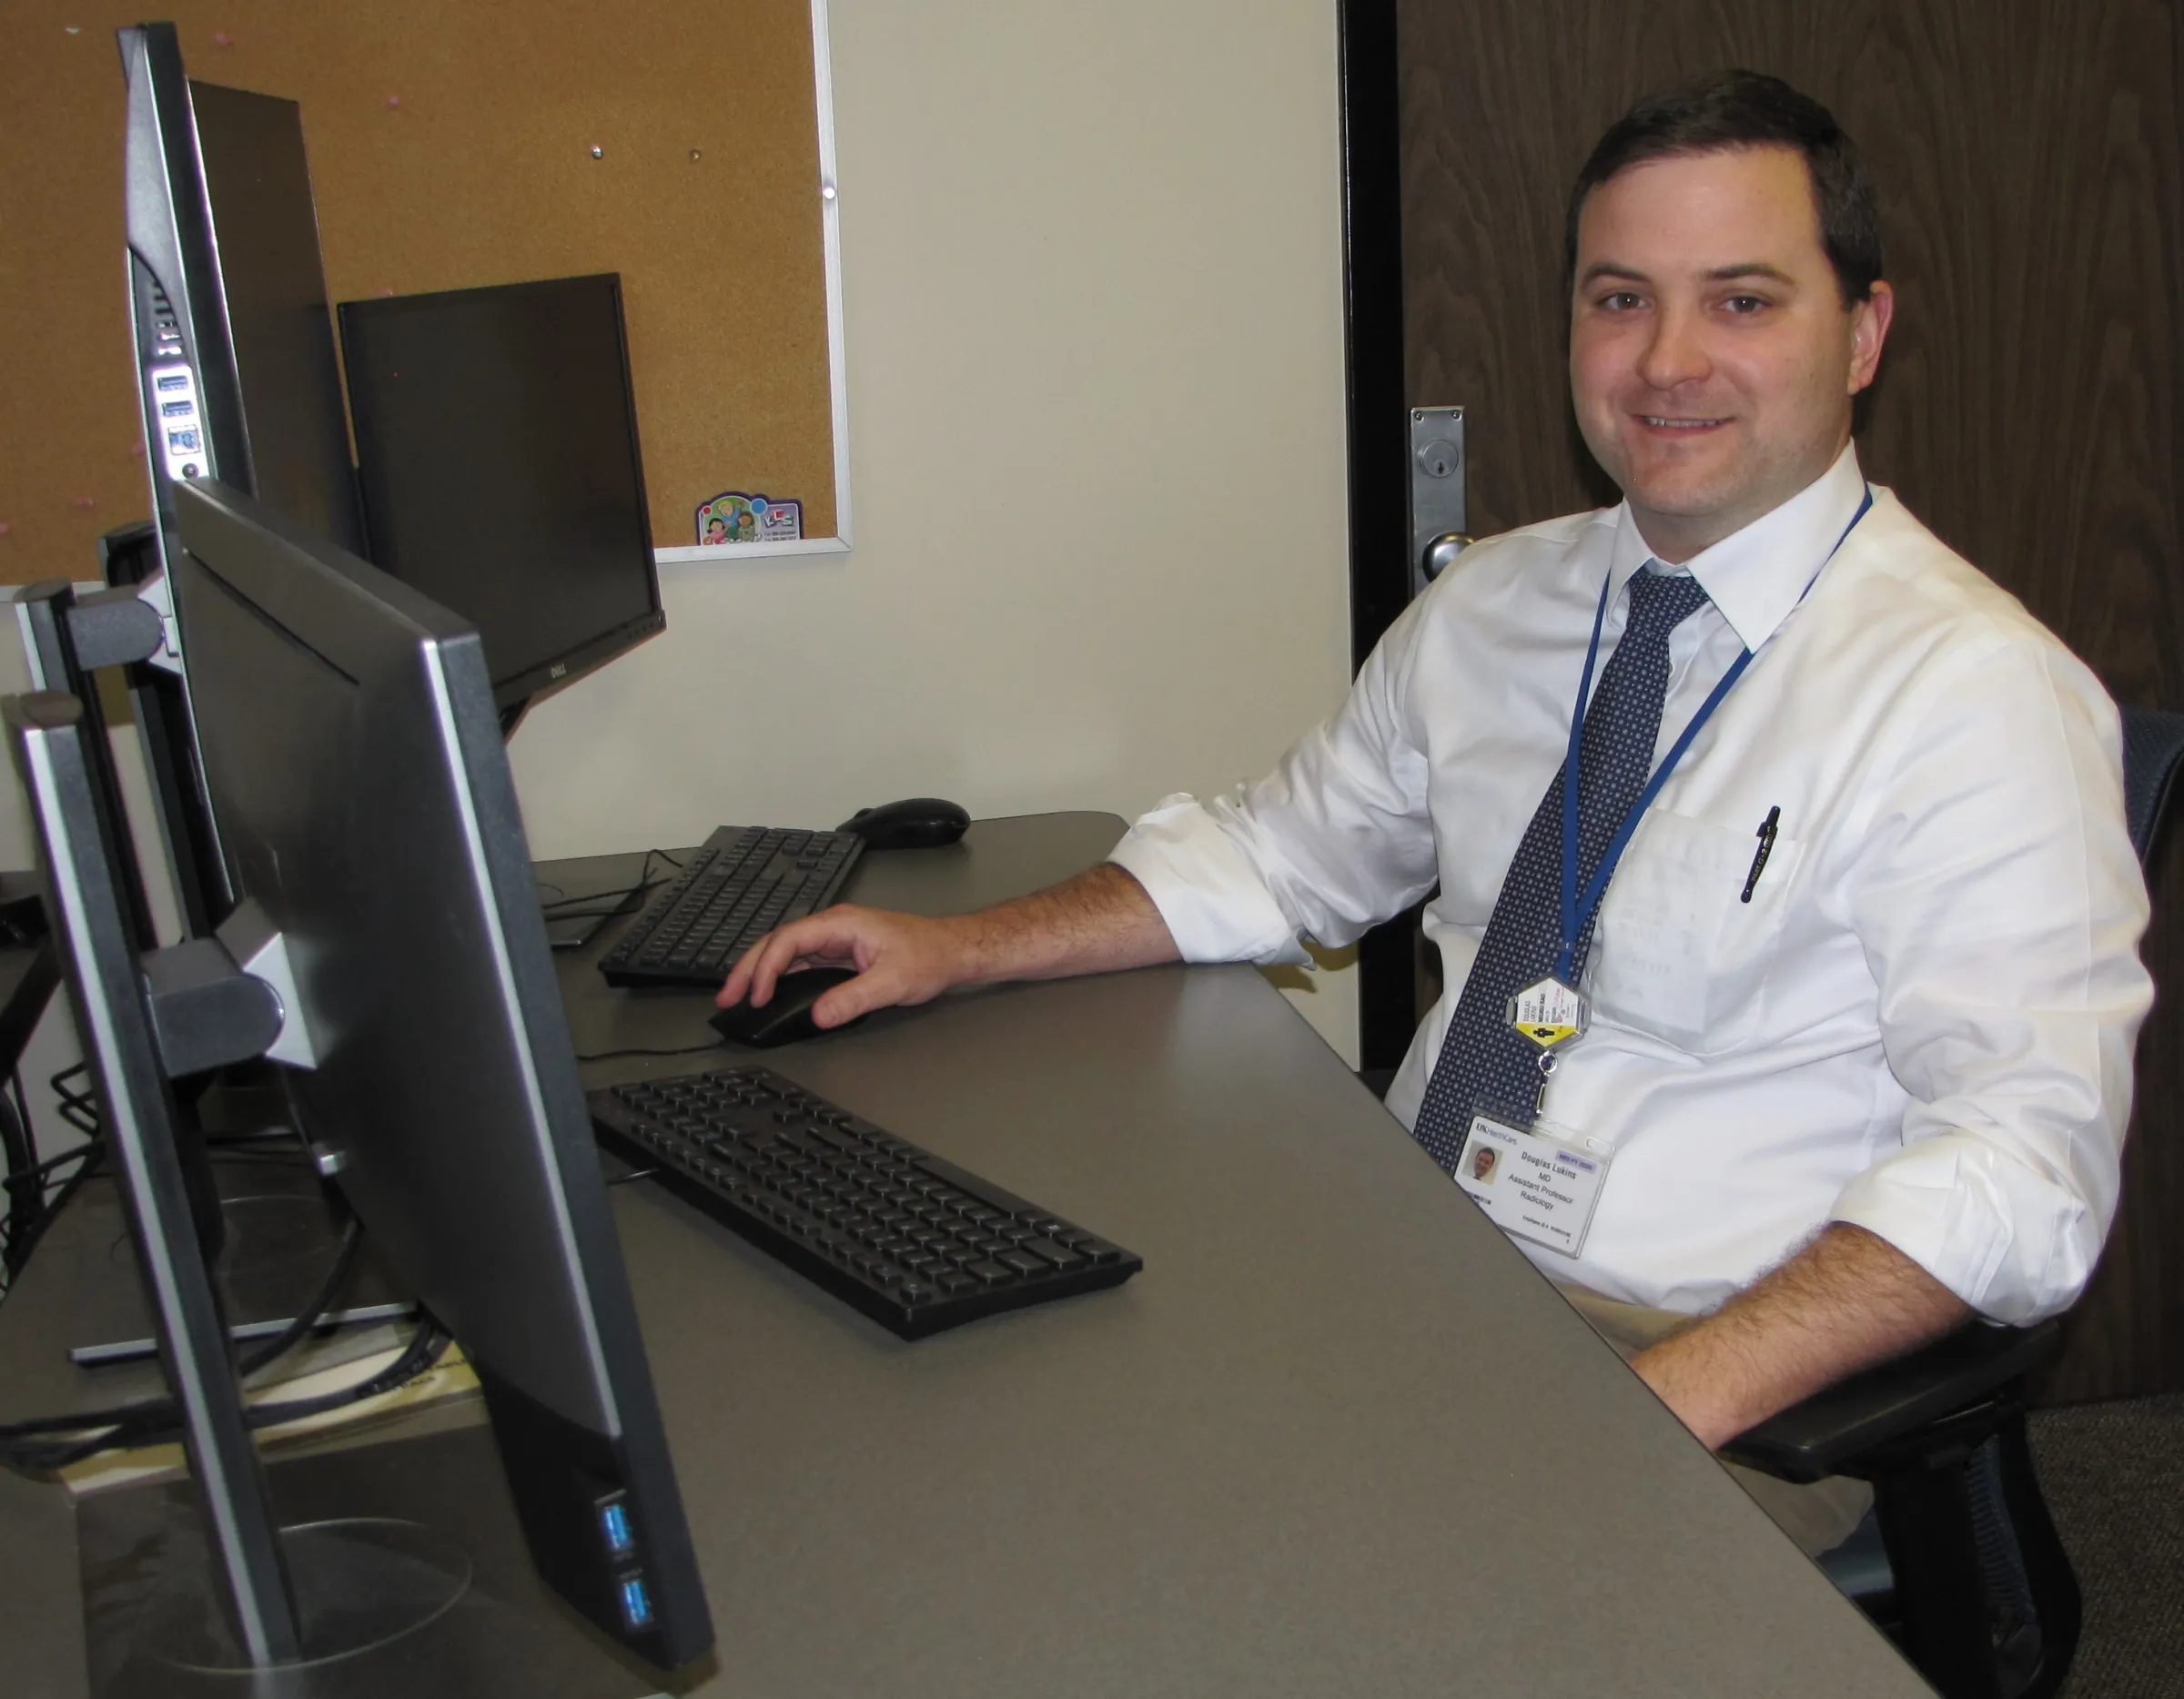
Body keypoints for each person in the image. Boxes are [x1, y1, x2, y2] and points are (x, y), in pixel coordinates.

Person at [718, 71, 2152, 1553]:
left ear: (1862, 334)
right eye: (1618, 299)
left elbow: (2025, 1159)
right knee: (997, 1449)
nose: (1667, 360)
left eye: (1741, 301)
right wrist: (962, 947)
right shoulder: (1494, 606)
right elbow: (1281, 854)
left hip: (1687, 1353)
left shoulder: (1971, 696)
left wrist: (1654, 1403)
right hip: (1412, 1265)